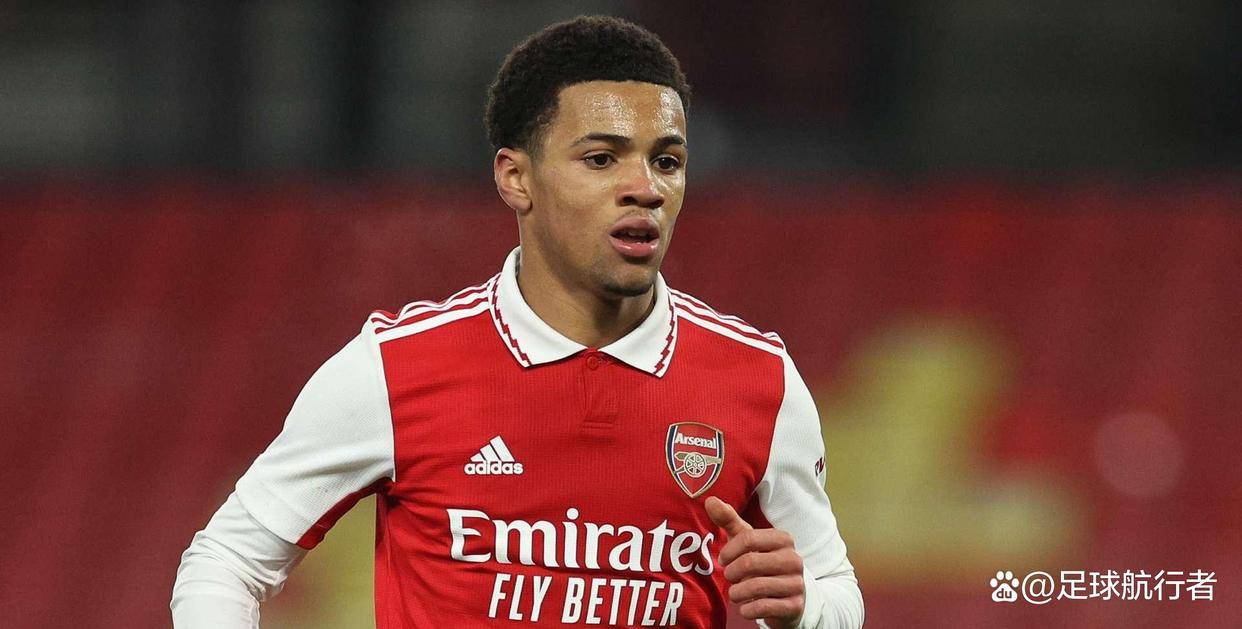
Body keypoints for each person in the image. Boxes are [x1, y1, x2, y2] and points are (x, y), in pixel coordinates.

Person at [172, 15, 863, 629]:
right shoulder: (396, 369)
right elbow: (227, 561)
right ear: (515, 178)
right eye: (601, 158)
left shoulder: (758, 382)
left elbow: (836, 590)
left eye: (667, 161)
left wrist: (804, 610)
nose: (645, 188)